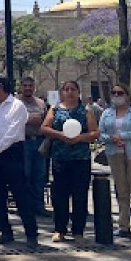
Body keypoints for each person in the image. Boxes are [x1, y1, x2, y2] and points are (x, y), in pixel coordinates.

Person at [0, 73, 38, 248]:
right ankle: (5, 230)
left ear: (0, 86)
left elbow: (12, 134)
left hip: (11, 152)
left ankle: (31, 232)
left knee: (20, 193)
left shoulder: (17, 106)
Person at [41, 80, 99, 244]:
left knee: (80, 195)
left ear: (78, 92)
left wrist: (80, 138)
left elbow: (95, 133)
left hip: (81, 158)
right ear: (62, 93)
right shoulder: (55, 109)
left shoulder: (86, 111)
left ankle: (78, 231)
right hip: (60, 158)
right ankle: (60, 229)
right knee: (60, 196)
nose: (70, 92)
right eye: (66, 89)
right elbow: (44, 128)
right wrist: (60, 135)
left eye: (73, 89)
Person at [98, 83, 131, 242]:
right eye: (114, 93)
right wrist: (113, 139)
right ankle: (123, 225)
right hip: (114, 154)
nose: (117, 95)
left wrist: (123, 136)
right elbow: (101, 134)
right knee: (122, 191)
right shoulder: (107, 113)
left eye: (120, 93)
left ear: (127, 95)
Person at [17, 76, 49, 217]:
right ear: (21, 87)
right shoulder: (16, 103)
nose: (28, 88)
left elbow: (47, 120)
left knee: (39, 176)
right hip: (23, 143)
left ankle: (39, 206)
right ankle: (25, 207)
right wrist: (28, 120)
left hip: (39, 143)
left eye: (30, 85)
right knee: (25, 175)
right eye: (25, 86)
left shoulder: (41, 103)